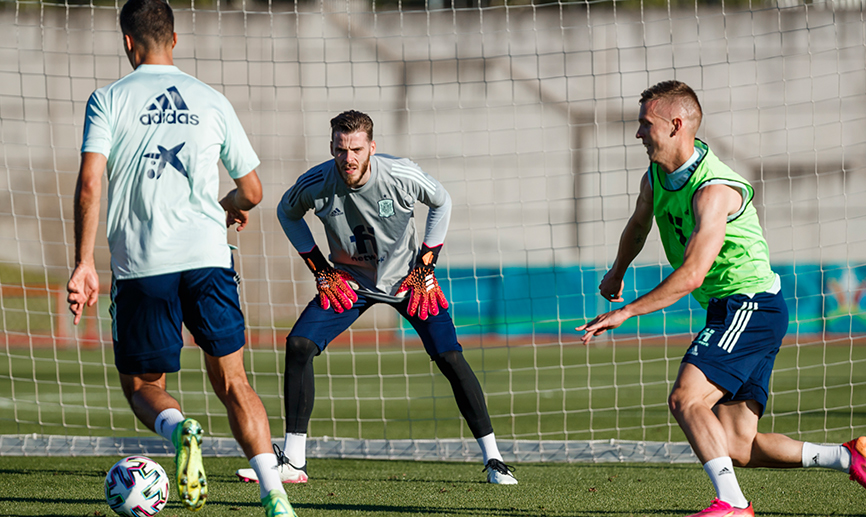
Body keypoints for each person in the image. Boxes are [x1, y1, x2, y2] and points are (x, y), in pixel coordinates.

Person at [576, 80, 866, 517]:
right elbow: (639, 225)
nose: (637, 134)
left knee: (686, 400)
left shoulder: (714, 190)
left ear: (676, 125)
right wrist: (617, 271)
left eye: (645, 124)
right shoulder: (655, 177)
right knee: (737, 445)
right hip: (739, 308)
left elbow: (692, 273)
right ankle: (851, 457)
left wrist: (628, 311)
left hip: (748, 304)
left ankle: (732, 503)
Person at [65, 1, 296, 515]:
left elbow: (89, 183)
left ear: (128, 42)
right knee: (233, 381)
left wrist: (84, 262)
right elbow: (253, 191)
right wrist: (228, 206)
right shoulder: (211, 99)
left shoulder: (108, 99)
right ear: (176, 39)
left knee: (144, 386)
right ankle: (275, 495)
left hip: (144, 264)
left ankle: (179, 428)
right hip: (209, 258)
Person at [234, 110, 517, 486]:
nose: (347, 158)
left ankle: (494, 459)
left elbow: (442, 201)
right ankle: (294, 463)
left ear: (371, 147)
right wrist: (320, 269)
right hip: (350, 283)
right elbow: (287, 213)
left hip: (409, 283)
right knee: (299, 344)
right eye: (339, 149)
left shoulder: (401, 174)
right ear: (331, 147)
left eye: (355, 149)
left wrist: (426, 265)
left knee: (449, 356)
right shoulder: (317, 182)